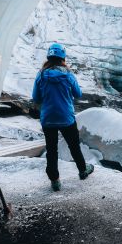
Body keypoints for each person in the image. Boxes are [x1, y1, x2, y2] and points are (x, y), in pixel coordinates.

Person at [32, 43, 94, 191]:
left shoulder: (41, 74)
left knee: (51, 150)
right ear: (63, 58)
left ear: (49, 57)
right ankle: (83, 170)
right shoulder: (68, 75)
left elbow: (36, 98)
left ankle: (55, 181)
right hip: (66, 117)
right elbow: (78, 94)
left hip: (48, 118)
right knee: (74, 145)